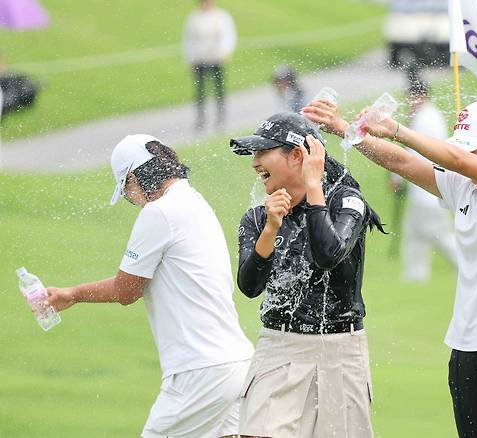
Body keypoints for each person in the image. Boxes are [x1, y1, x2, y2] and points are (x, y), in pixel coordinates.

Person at [303, 98, 477, 438]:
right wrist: (346, 129)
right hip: (466, 349)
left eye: (474, 147)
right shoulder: (462, 188)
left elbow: (457, 161)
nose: (466, 155)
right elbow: (402, 162)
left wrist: (395, 129)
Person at [45, 135, 254, 438]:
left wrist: (73, 294)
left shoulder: (159, 212)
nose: (133, 200)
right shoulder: (194, 200)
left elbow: (126, 290)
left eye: (127, 192)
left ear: (133, 176)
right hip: (237, 363)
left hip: (198, 371)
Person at [230, 112, 386, 438]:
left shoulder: (347, 202)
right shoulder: (258, 218)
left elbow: (329, 254)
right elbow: (249, 286)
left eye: (263, 152)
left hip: (341, 350)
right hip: (279, 347)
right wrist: (271, 229)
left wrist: (314, 187)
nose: (255, 162)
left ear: (297, 156)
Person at [390, 81, 457, 281]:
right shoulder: (428, 116)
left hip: (428, 188)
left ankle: (466, 265)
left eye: (414, 96)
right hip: (424, 187)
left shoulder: (424, 119)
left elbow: (411, 153)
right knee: (415, 231)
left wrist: (396, 176)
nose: (411, 101)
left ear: (423, 96)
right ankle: (415, 274)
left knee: (440, 234)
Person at [182, 0, 237, 130]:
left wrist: (225, 51)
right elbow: (189, 39)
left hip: (216, 57)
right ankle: (201, 118)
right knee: (200, 90)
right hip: (200, 58)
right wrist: (190, 58)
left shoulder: (221, 16)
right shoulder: (194, 18)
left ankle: (220, 116)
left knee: (219, 88)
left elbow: (228, 36)